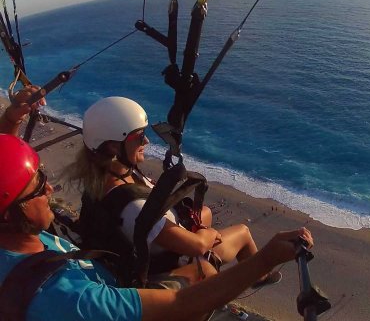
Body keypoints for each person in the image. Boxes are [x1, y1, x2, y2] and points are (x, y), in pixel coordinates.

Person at [0, 96, 314, 320]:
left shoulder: (17, 240)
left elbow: (7, 182)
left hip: (107, 265)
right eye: (39, 188)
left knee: (202, 221)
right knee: (205, 268)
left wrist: (11, 122)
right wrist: (266, 258)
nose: (50, 188)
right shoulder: (70, 299)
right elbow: (179, 304)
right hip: (123, 290)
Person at [64, 96, 280, 287]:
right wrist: (208, 235)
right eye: (138, 137)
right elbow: (197, 245)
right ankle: (257, 276)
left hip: (135, 250)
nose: (146, 141)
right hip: (161, 266)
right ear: (113, 147)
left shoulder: (108, 179)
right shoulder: (133, 206)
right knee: (241, 232)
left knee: (204, 211)